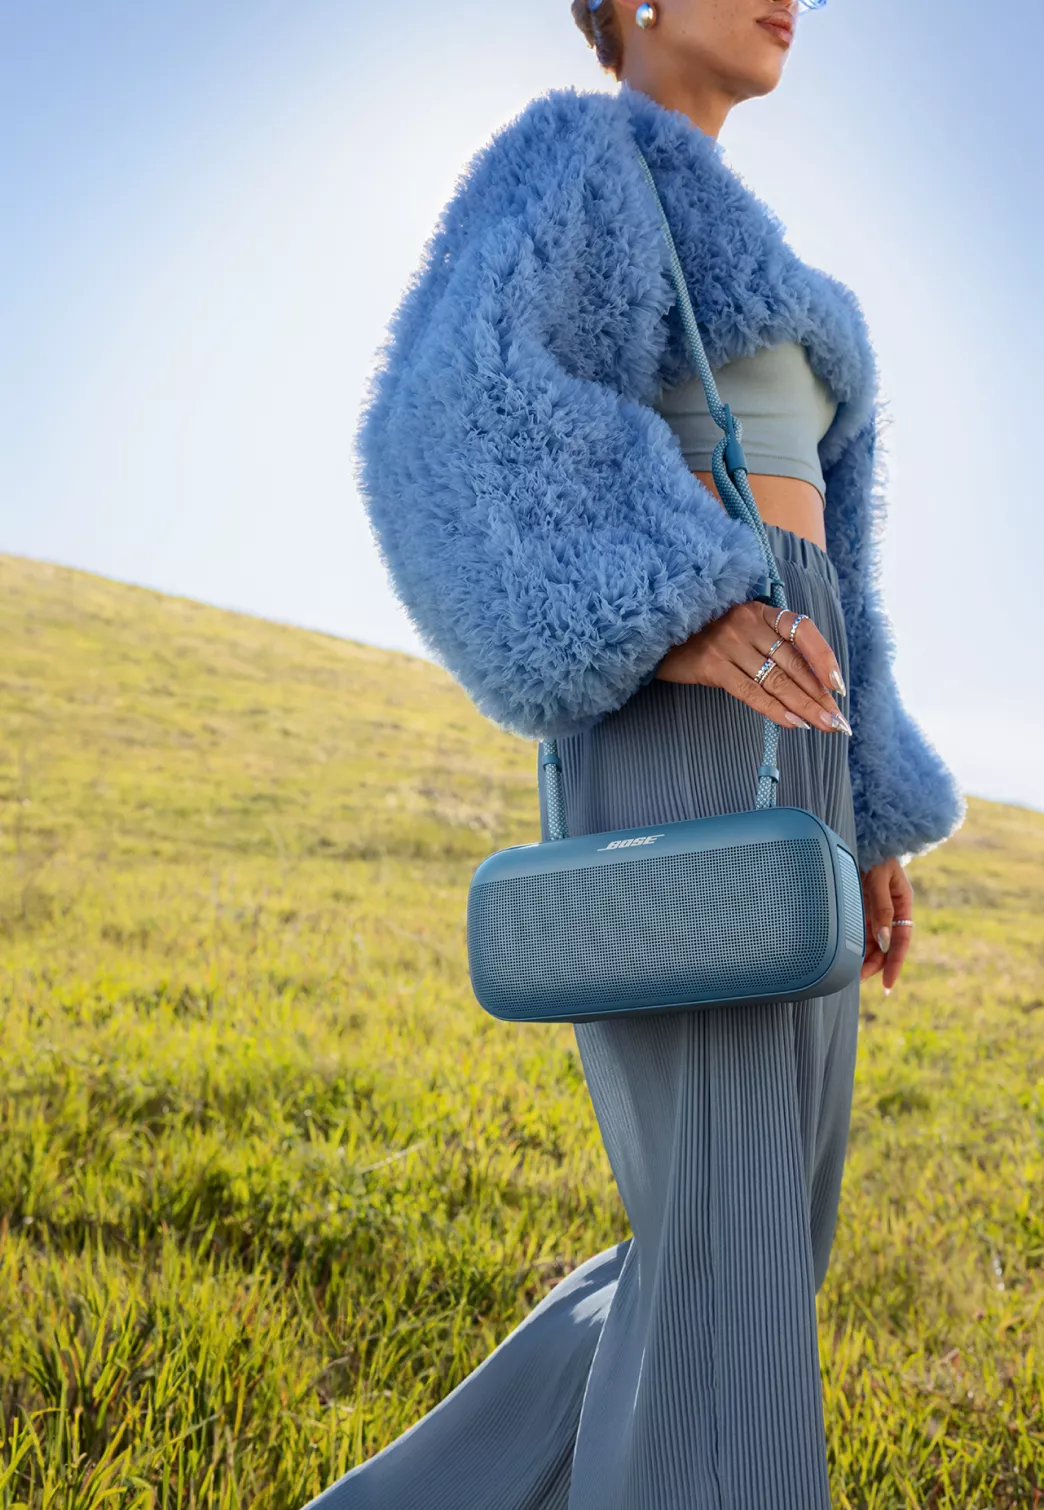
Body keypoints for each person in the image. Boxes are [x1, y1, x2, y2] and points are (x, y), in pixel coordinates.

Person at [310, 1, 963, 1505]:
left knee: (753, 1236)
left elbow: (837, 572)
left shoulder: (759, 242)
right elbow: (445, 423)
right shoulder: (577, 161)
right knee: (726, 1235)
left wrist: (867, 812)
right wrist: (661, 607)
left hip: (799, 722)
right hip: (682, 709)